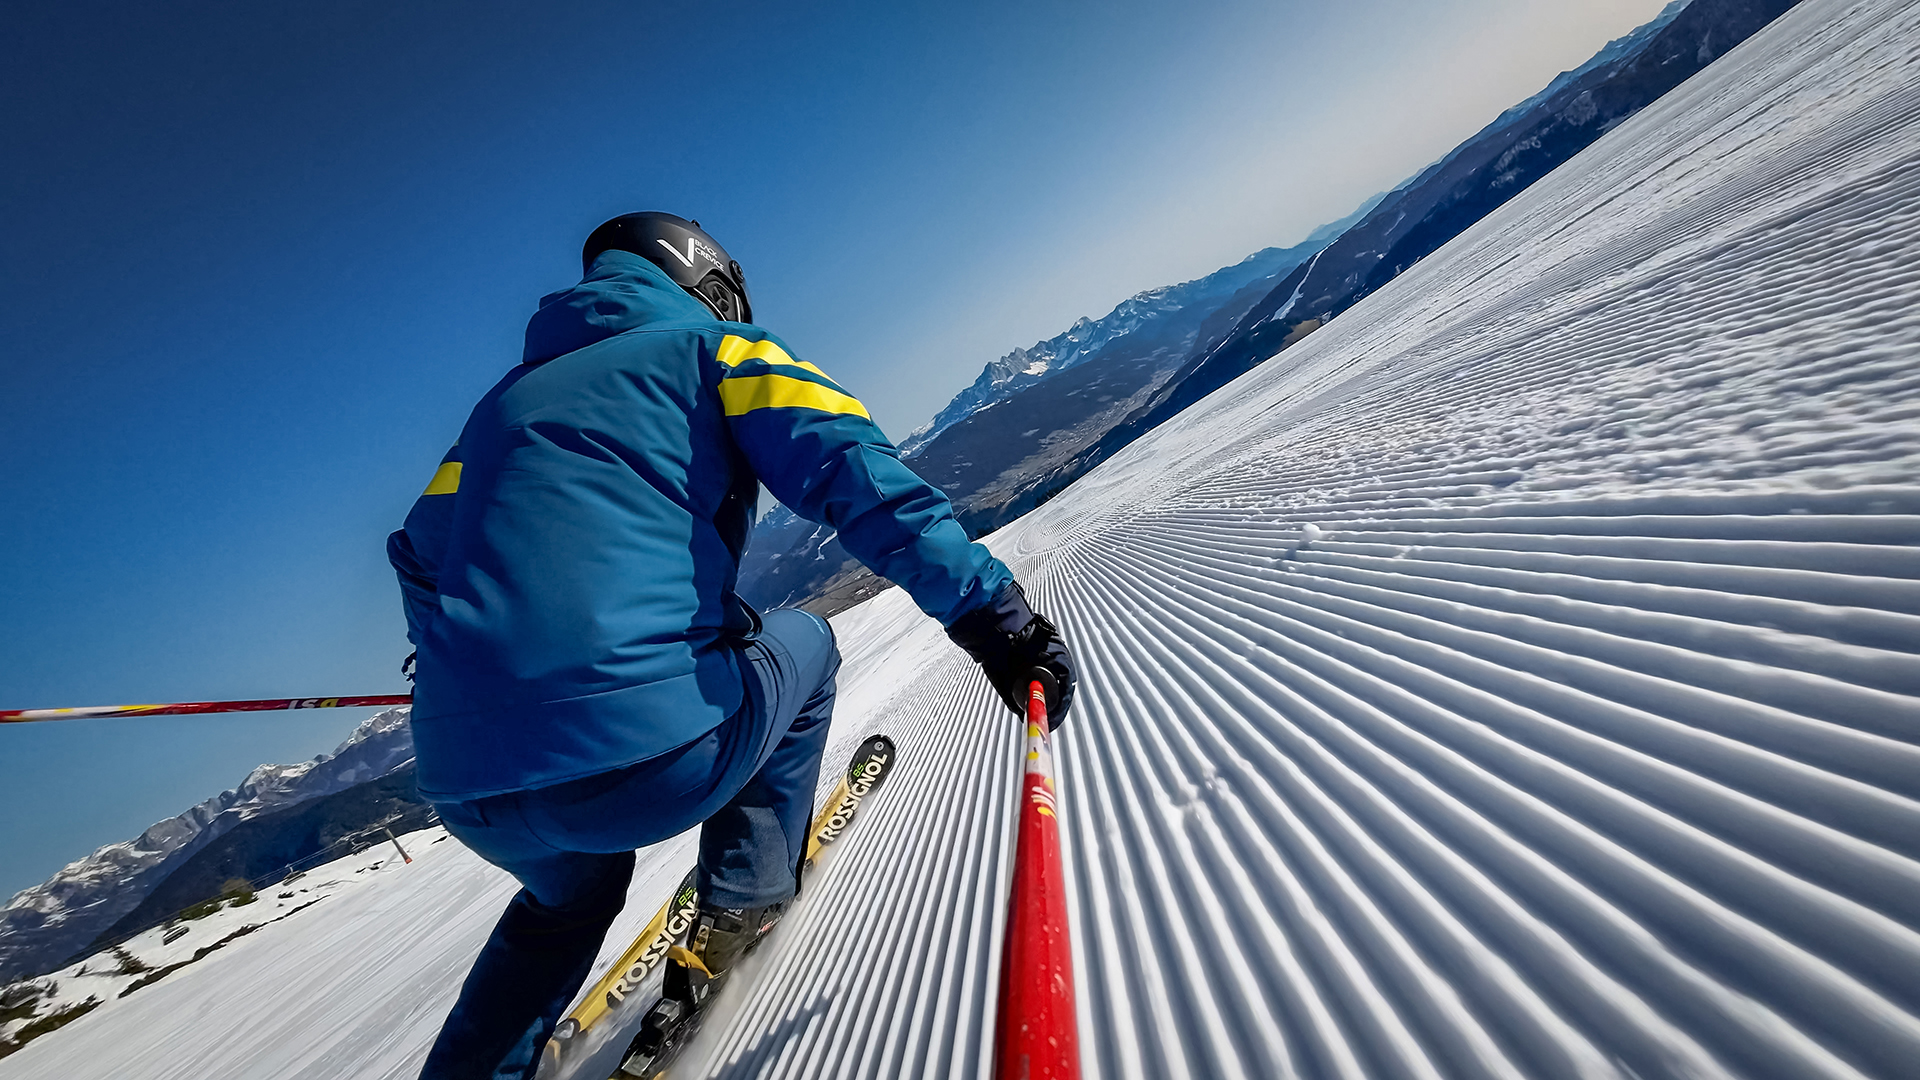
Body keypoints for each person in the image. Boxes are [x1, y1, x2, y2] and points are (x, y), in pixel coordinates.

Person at [387, 212, 1075, 1080]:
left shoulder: (495, 413)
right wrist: (997, 621)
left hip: (469, 787)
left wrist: (465, 667)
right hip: (649, 759)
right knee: (808, 645)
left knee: (564, 900)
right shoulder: (717, 350)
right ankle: (744, 899)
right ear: (708, 283)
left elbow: (419, 553)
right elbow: (855, 473)